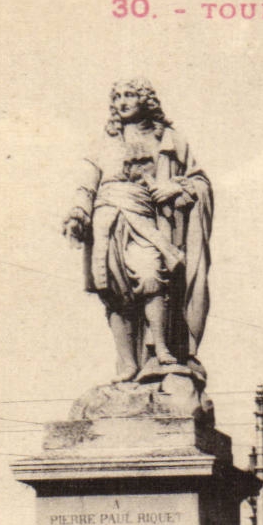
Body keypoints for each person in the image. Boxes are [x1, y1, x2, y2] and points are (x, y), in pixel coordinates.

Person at [64, 78, 214, 384]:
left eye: (130, 95)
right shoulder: (103, 142)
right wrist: (78, 213)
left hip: (145, 220)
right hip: (106, 220)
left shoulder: (169, 139)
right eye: (117, 96)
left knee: (150, 275)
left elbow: (199, 182)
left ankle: (160, 350)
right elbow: (86, 184)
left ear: (145, 99)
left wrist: (175, 187)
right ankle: (128, 363)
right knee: (111, 289)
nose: (122, 101)